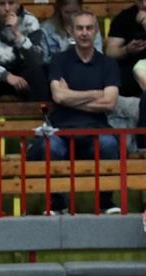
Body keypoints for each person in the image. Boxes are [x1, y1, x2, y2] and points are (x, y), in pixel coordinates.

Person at [43, 12, 120, 165]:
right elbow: (58, 96)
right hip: (61, 130)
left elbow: (109, 103)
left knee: (109, 144)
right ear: (71, 31)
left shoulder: (108, 64)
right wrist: (95, 94)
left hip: (97, 130)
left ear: (96, 31)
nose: (84, 33)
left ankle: (104, 183)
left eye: (89, 28)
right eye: (79, 28)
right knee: (51, 147)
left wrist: (69, 97)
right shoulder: (59, 60)